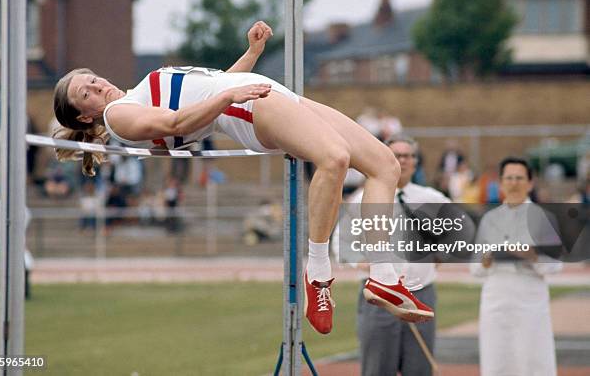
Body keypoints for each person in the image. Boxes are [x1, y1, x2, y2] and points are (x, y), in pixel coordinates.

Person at [52, 21, 433, 334]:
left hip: (262, 95)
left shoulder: (137, 92)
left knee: (385, 165)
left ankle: (383, 275)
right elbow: (177, 121)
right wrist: (231, 96)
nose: (99, 85)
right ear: (86, 116)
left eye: (94, 78)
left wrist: (250, 55)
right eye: (87, 92)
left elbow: (211, 86)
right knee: (334, 158)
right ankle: (317, 272)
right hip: (249, 108)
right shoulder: (119, 114)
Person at [356, 134, 449, 376]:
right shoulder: (361, 199)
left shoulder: (434, 199)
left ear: (415, 162)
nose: (402, 160)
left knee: (418, 367)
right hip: (380, 299)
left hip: (422, 291)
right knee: (377, 367)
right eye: (396, 155)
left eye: (407, 156)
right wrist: (365, 262)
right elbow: (341, 243)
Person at [470, 157, 562, 376]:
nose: (514, 183)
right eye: (509, 178)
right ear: (501, 183)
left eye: (519, 178)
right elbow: (475, 268)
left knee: (533, 359)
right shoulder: (489, 219)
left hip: (529, 296)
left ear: (530, 183)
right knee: (496, 359)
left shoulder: (543, 218)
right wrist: (486, 259)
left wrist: (532, 255)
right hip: (496, 296)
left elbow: (555, 264)